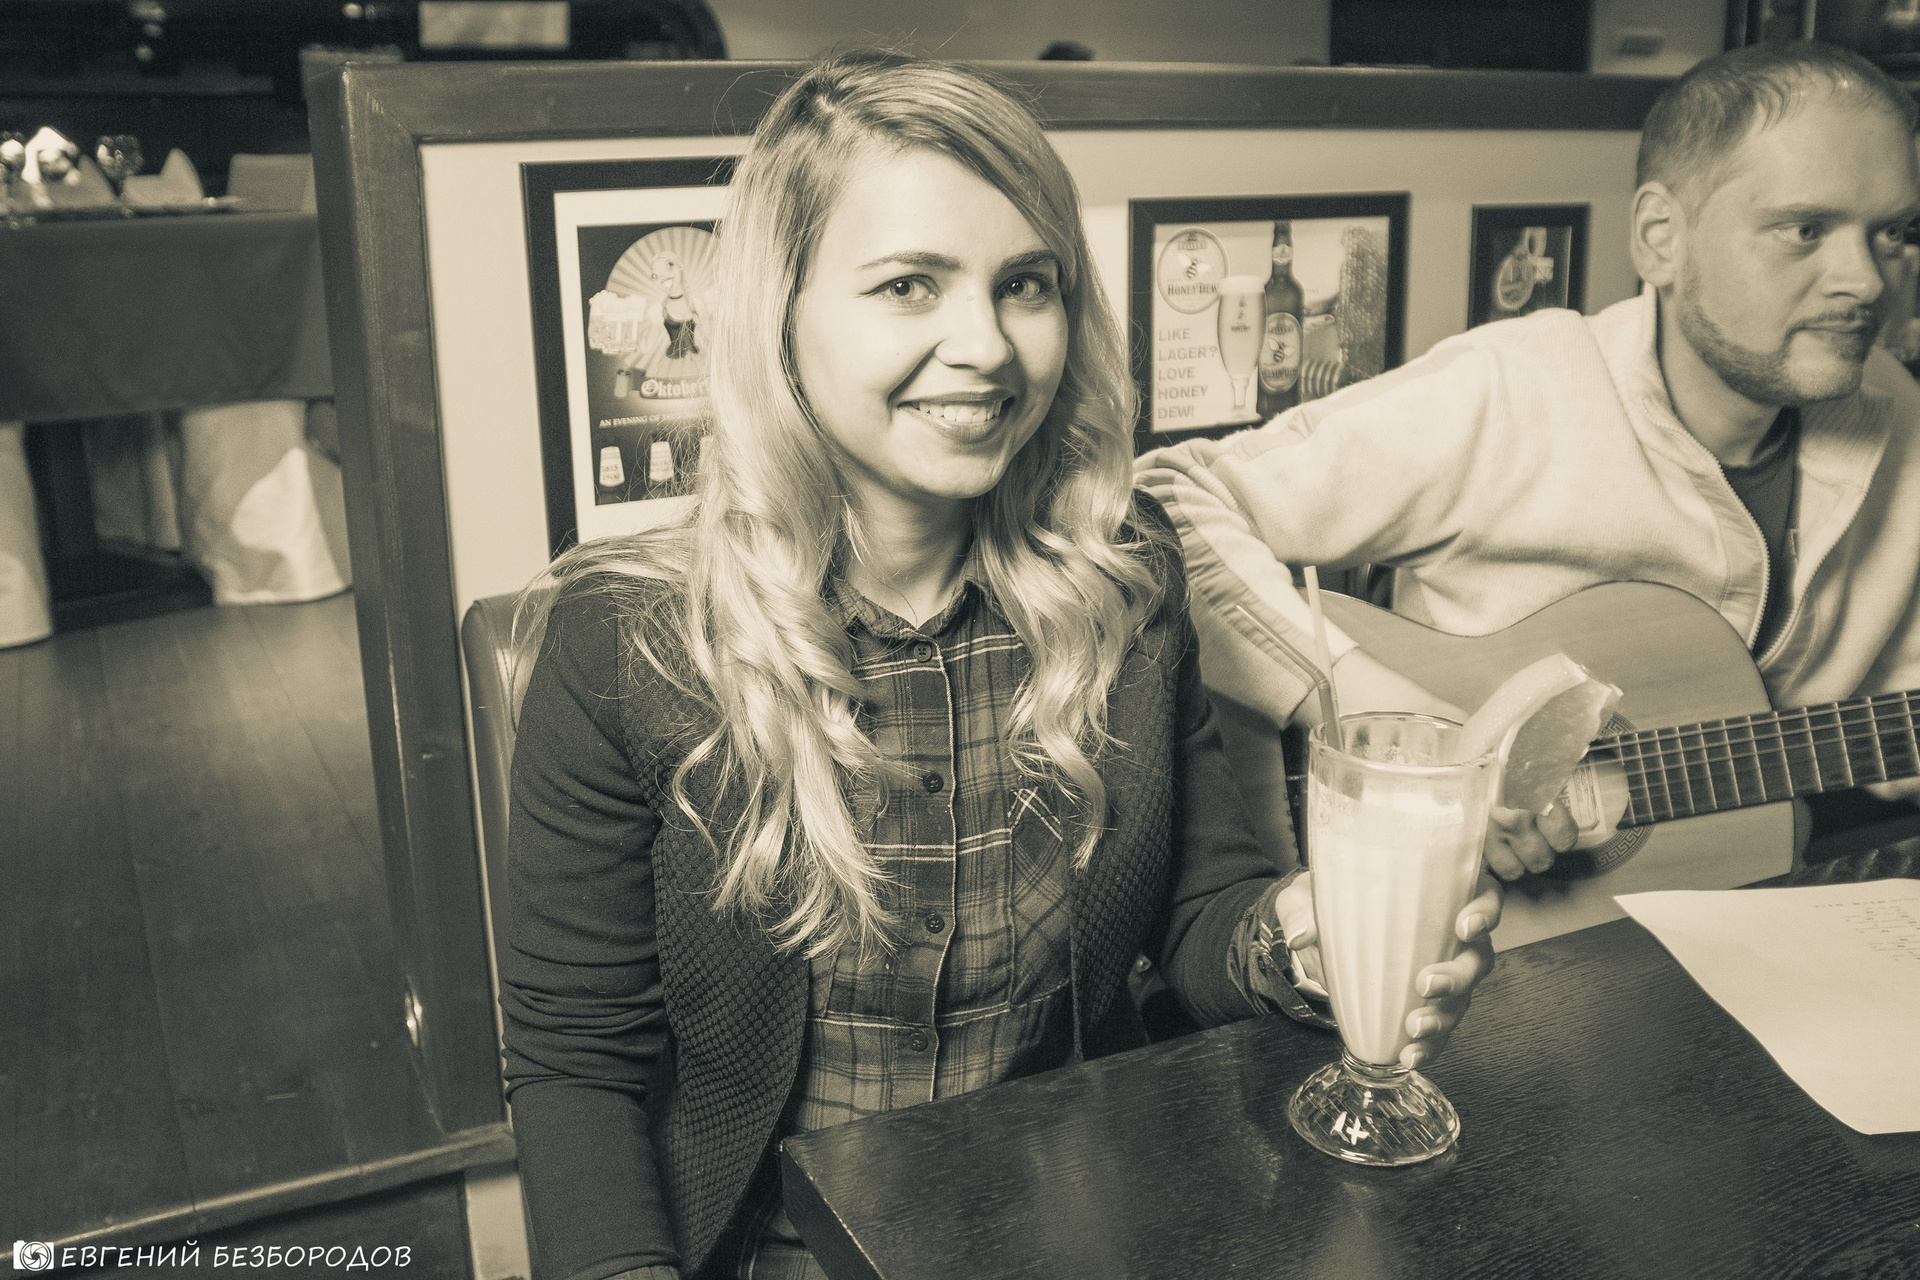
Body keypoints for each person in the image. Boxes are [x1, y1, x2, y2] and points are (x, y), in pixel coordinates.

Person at [500, 53, 1501, 1280]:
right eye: (908, 285)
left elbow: (1202, 915)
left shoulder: (1126, 573)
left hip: (1082, 1221)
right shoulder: (628, 638)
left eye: (1025, 284)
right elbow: (576, 1067)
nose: (985, 345)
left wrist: (1297, 941)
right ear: (780, 314)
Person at [1138, 40, 1920, 882]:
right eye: (1806, 230)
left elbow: (1887, 722)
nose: (1867, 281)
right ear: (1660, 239)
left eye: (1894, 234)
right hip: (1426, 911)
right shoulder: (1511, 391)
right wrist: (1393, 722)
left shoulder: (1899, 417)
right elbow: (1163, 504)